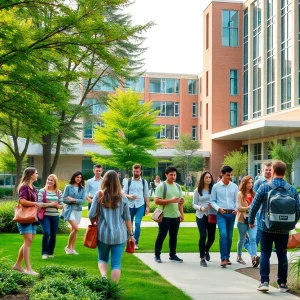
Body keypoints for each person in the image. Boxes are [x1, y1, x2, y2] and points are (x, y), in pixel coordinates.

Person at [249, 160, 300, 292]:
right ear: (285, 172)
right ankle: (282, 283)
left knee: (265, 253)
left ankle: (264, 281)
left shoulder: (265, 187)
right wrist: (291, 223)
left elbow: (254, 206)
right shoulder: (292, 189)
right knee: (282, 254)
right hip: (283, 229)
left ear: (273, 171)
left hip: (266, 226)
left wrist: (251, 220)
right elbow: (298, 210)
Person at [88, 170, 134, 282]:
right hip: (120, 235)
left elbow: (91, 214)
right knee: (116, 263)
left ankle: (104, 277)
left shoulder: (99, 195)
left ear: (105, 181)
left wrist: (94, 221)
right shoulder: (123, 197)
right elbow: (127, 218)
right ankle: (113, 289)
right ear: (117, 182)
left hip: (103, 234)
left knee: (102, 259)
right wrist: (131, 234)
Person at [13, 167, 52, 276]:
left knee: (28, 242)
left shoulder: (33, 188)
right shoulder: (24, 187)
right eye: (36, 173)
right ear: (31, 175)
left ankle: (17, 265)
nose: (37, 175)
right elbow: (22, 201)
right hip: (24, 217)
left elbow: (34, 202)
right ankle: (28, 269)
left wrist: (43, 205)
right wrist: (36, 204)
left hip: (31, 218)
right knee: (28, 241)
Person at [154, 166, 184, 263]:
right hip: (165, 216)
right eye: (171, 175)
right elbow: (156, 201)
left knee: (174, 236)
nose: (173, 176)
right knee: (162, 235)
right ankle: (157, 255)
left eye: (174, 175)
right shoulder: (162, 186)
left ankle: (172, 254)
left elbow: (180, 202)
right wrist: (171, 200)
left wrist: (182, 214)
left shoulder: (178, 186)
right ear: (166, 175)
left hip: (175, 216)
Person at [210, 165, 238, 268]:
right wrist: (218, 209)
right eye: (227, 175)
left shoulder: (234, 186)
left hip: (231, 214)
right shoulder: (216, 187)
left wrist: (235, 208)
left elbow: (236, 201)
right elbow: (212, 201)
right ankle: (223, 258)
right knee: (223, 234)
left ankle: (227, 257)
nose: (229, 177)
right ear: (222, 174)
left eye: (230, 175)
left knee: (230, 237)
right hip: (221, 214)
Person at [123, 164, 150, 250]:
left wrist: (147, 207)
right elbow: (123, 193)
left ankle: (135, 242)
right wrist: (129, 196)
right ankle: (129, 241)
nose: (136, 173)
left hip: (140, 205)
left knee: (137, 223)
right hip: (130, 206)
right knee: (128, 224)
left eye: (137, 171)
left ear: (140, 171)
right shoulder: (128, 181)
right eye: (134, 171)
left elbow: (146, 195)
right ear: (132, 171)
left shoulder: (144, 182)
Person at [192, 171, 216, 267]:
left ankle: (206, 249)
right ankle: (202, 258)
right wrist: (200, 208)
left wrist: (213, 205)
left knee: (212, 237)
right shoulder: (197, 191)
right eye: (206, 177)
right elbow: (193, 204)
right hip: (201, 215)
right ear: (203, 179)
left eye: (210, 177)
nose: (208, 179)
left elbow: (217, 201)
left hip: (211, 215)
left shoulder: (214, 190)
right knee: (203, 236)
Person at [236, 176, 260, 267]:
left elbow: (258, 207)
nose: (251, 184)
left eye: (252, 183)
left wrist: (254, 210)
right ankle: (239, 256)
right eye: (249, 183)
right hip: (242, 220)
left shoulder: (255, 194)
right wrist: (249, 208)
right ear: (244, 183)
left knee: (253, 239)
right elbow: (238, 207)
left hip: (253, 220)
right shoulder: (240, 194)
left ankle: (254, 257)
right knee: (242, 239)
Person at [38, 174, 63, 259]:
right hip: (45, 216)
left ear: (55, 182)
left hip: (55, 216)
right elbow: (39, 204)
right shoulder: (42, 191)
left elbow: (61, 205)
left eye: (51, 180)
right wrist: (50, 204)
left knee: (53, 235)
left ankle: (50, 252)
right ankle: (44, 252)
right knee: (47, 233)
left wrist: (56, 206)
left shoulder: (58, 192)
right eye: (48, 179)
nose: (49, 181)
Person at [62, 171, 85, 255]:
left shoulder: (82, 188)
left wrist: (73, 200)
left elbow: (83, 201)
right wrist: (72, 201)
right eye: (77, 177)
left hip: (78, 210)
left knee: (73, 230)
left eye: (80, 177)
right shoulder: (68, 187)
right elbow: (64, 199)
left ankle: (72, 249)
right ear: (74, 177)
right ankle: (68, 246)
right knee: (76, 229)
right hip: (70, 210)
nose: (79, 179)